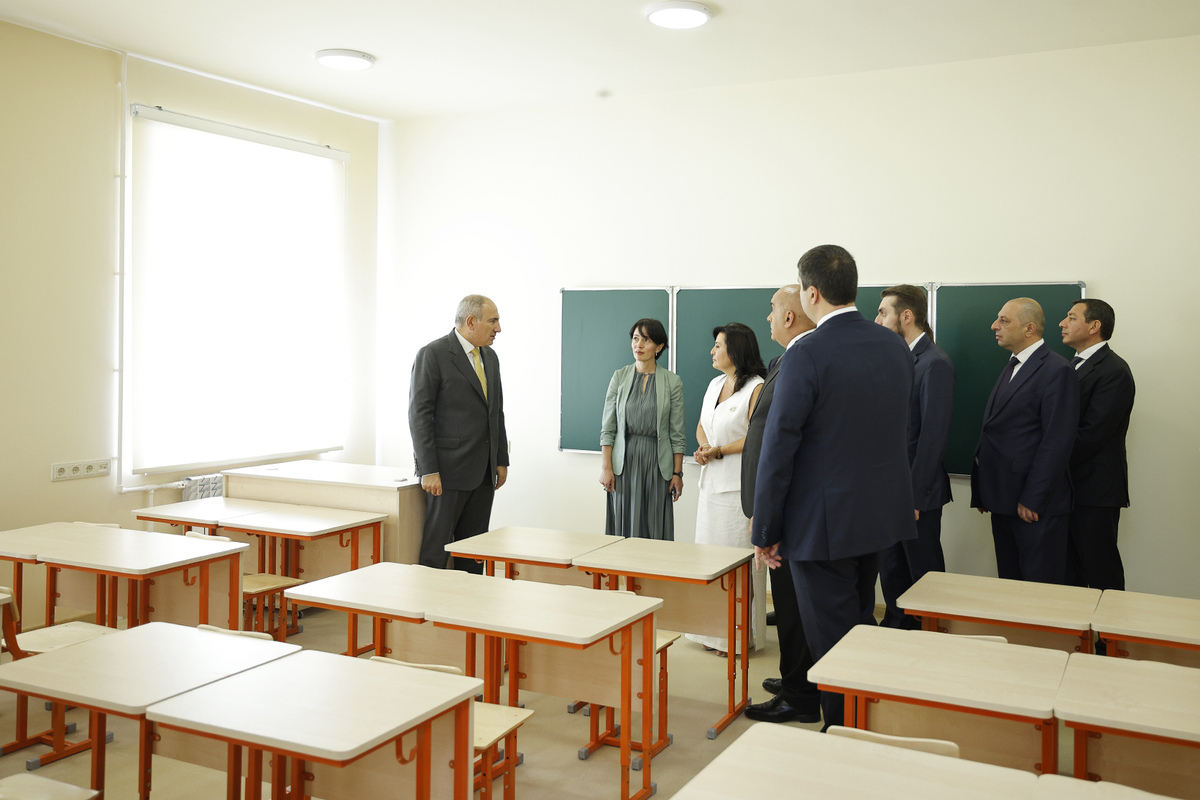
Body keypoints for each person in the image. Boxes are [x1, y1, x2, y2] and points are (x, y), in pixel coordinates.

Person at [751, 245, 915, 728]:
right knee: (859, 627)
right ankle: (862, 724)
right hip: (878, 518)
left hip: (820, 525)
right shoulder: (893, 345)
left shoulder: (807, 352)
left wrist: (766, 529)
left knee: (833, 644)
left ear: (812, 293)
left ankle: (844, 735)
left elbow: (780, 448)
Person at [742, 286, 822, 725]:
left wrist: (769, 517)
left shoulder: (803, 359)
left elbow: (786, 443)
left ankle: (800, 695)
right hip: (780, 506)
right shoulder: (784, 359)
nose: (768, 317)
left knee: (794, 609)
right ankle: (794, 678)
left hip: (792, 511)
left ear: (789, 317)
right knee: (790, 607)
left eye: (773, 310)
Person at [971, 297, 1079, 584]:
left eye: (1004, 320)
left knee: (1038, 590)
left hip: (1032, 505)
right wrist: (984, 490)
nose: (994, 326)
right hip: (1003, 498)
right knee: (1010, 584)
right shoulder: (1013, 365)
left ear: (1029, 328)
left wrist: (1033, 498)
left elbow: (1057, 441)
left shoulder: (1056, 370)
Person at [408, 295, 509, 573]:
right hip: (447, 473)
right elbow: (419, 416)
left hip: (484, 474)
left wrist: (501, 459)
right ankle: (427, 598)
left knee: (474, 552)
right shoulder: (433, 354)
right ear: (471, 321)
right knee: (436, 551)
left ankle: (469, 600)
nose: (498, 328)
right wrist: (428, 469)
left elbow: (496, 412)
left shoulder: (490, 357)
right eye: (493, 321)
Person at [874, 284, 956, 629]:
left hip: (915, 493)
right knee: (891, 569)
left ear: (906, 316)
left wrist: (915, 496)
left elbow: (932, 438)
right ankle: (896, 630)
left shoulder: (934, 363)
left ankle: (929, 636)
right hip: (890, 491)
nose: (876, 320)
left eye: (883, 313)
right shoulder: (897, 358)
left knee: (922, 573)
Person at [687, 322, 767, 656]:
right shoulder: (714, 384)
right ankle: (712, 633)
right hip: (711, 488)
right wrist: (705, 447)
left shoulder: (757, 388)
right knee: (709, 561)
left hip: (738, 491)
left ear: (735, 350)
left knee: (737, 565)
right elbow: (701, 426)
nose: (712, 351)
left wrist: (719, 450)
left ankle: (738, 637)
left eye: (718, 345)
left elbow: (756, 438)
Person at [1059, 299, 1135, 592]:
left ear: (1094, 326)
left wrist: (1048, 461)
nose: (1062, 323)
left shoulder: (1114, 370)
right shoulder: (1071, 365)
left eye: (1071, 317)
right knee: (1068, 575)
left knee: (1101, 573)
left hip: (1094, 492)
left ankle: (1111, 625)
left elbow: (1092, 434)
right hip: (1068, 489)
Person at [600, 318, 685, 539]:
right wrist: (606, 468)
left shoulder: (672, 382)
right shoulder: (619, 377)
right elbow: (608, 429)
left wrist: (677, 473)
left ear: (659, 347)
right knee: (623, 527)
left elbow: (677, 434)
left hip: (657, 464)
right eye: (635, 338)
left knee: (654, 526)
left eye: (646, 340)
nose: (638, 345)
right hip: (624, 463)